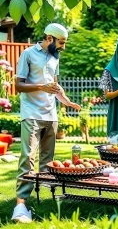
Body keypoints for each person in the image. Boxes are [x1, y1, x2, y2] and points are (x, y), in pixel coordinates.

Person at [11, 23, 81, 223]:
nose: (63, 47)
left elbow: (55, 85)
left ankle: (43, 200)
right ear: (49, 38)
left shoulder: (54, 57)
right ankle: (21, 205)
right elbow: (18, 85)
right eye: (61, 42)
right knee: (28, 158)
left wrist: (66, 101)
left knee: (47, 161)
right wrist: (41, 86)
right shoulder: (28, 54)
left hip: (51, 115)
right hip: (31, 113)